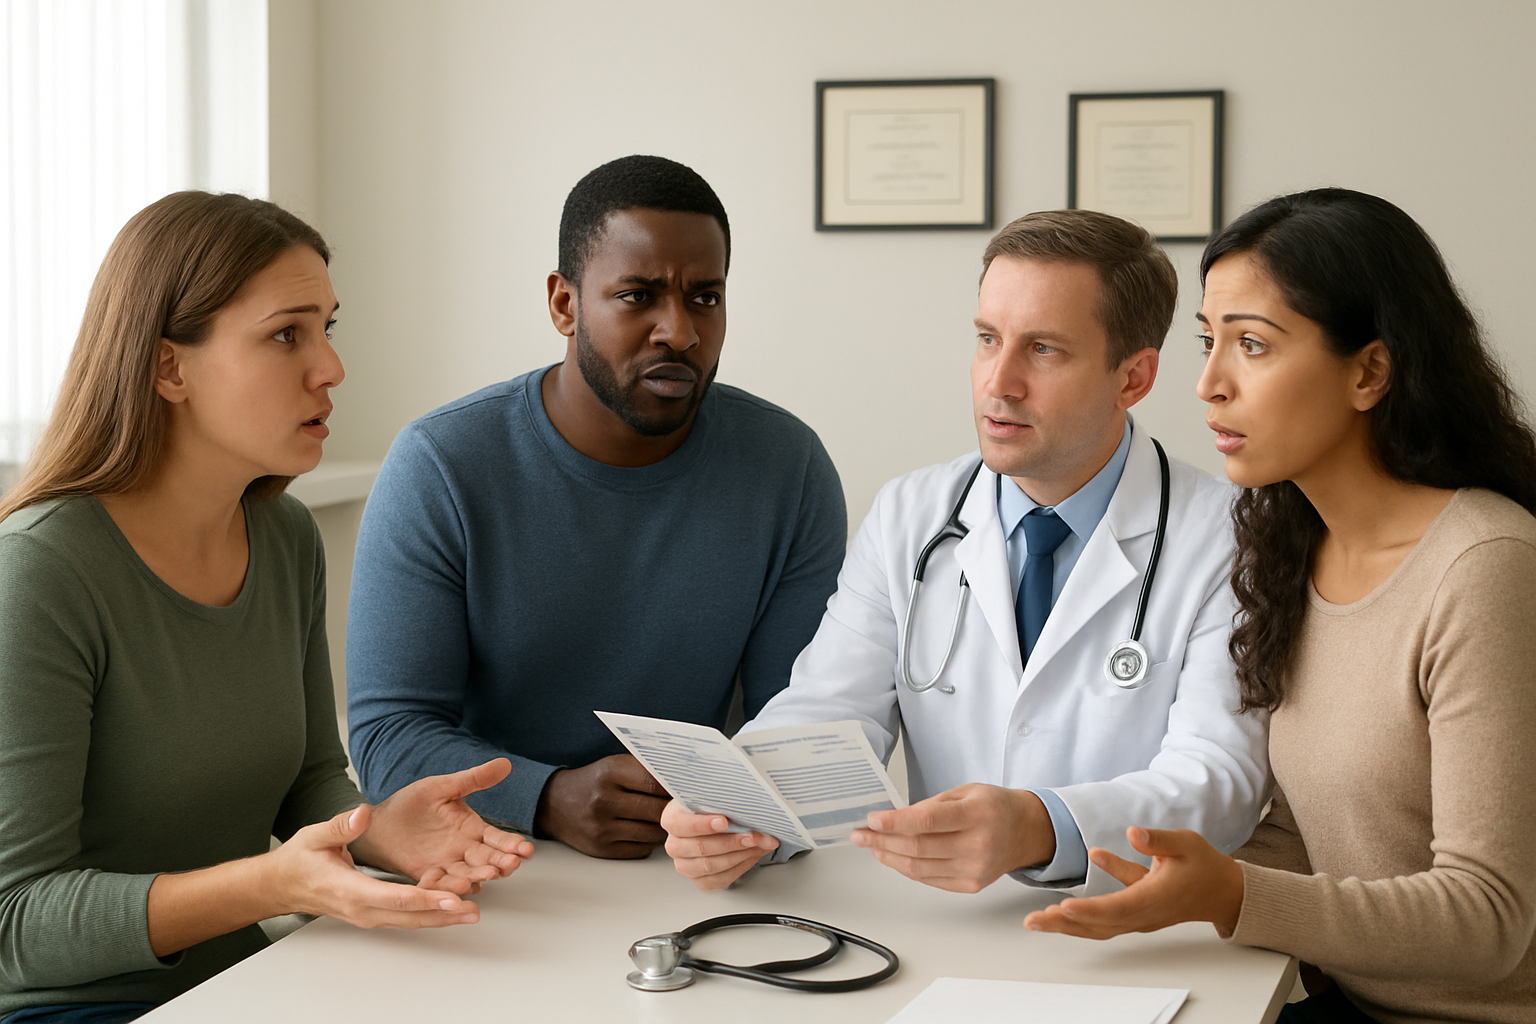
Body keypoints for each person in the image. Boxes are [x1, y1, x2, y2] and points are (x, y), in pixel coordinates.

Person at [0, 192, 535, 1024]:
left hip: (245, 984)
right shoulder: (39, 572)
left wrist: (377, 828)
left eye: (327, 326)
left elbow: (306, 780)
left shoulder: (282, 535)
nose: (330, 366)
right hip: (69, 1007)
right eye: (288, 334)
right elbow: (16, 925)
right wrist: (271, 883)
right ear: (169, 367)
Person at [1021, 189, 1536, 1024]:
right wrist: (1161, 886)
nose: (1209, 385)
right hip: (1336, 1002)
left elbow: (1489, 920)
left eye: (1252, 345)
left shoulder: (1484, 566)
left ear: (1369, 371)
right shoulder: (1294, 550)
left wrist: (1232, 892)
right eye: (1208, 341)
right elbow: (1309, 836)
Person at [664, 209, 1269, 893]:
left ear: (1132, 378)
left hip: (1141, 938)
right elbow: (831, 714)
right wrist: (738, 813)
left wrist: (1041, 825)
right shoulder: (910, 515)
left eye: (1044, 350)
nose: (998, 382)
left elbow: (1220, 780)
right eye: (988, 339)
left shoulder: (1230, 536)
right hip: (950, 937)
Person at [346, 155, 846, 860]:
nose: (680, 331)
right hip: (488, 861)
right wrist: (547, 797)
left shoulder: (787, 467)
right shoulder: (440, 465)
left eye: (705, 298)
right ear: (564, 304)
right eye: (638, 296)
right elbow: (387, 738)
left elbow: (795, 724)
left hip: (695, 865)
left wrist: (729, 823)